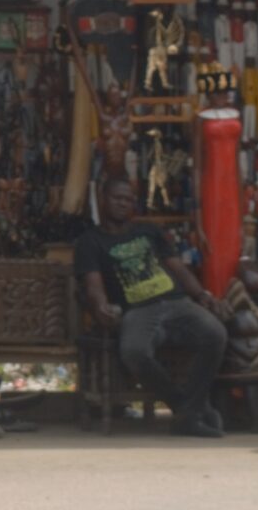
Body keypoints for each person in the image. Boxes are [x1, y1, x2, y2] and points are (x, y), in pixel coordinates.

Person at [76, 176, 229, 438]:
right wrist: (101, 306)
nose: (123, 204)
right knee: (134, 351)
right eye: (117, 198)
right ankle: (186, 408)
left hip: (176, 301)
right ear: (103, 200)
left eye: (128, 199)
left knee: (215, 334)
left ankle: (188, 412)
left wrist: (201, 294)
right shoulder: (91, 241)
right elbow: (93, 284)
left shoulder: (148, 231)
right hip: (137, 310)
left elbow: (177, 268)